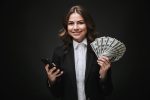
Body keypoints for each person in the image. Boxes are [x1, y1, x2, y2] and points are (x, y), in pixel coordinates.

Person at [44, 5, 113, 100]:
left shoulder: (99, 50)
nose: (75, 28)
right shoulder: (58, 52)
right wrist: (52, 81)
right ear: (66, 26)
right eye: (71, 23)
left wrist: (104, 75)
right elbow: (57, 94)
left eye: (80, 23)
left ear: (88, 25)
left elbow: (108, 91)